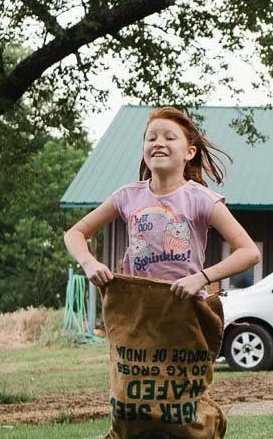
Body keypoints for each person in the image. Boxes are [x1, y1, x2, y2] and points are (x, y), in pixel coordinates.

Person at [64, 106, 260, 297]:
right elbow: (75, 233)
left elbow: (250, 252)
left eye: (169, 137)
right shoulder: (127, 196)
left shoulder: (201, 199)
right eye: (151, 138)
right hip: (137, 311)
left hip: (185, 311)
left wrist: (201, 278)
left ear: (189, 153)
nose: (158, 143)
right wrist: (89, 263)